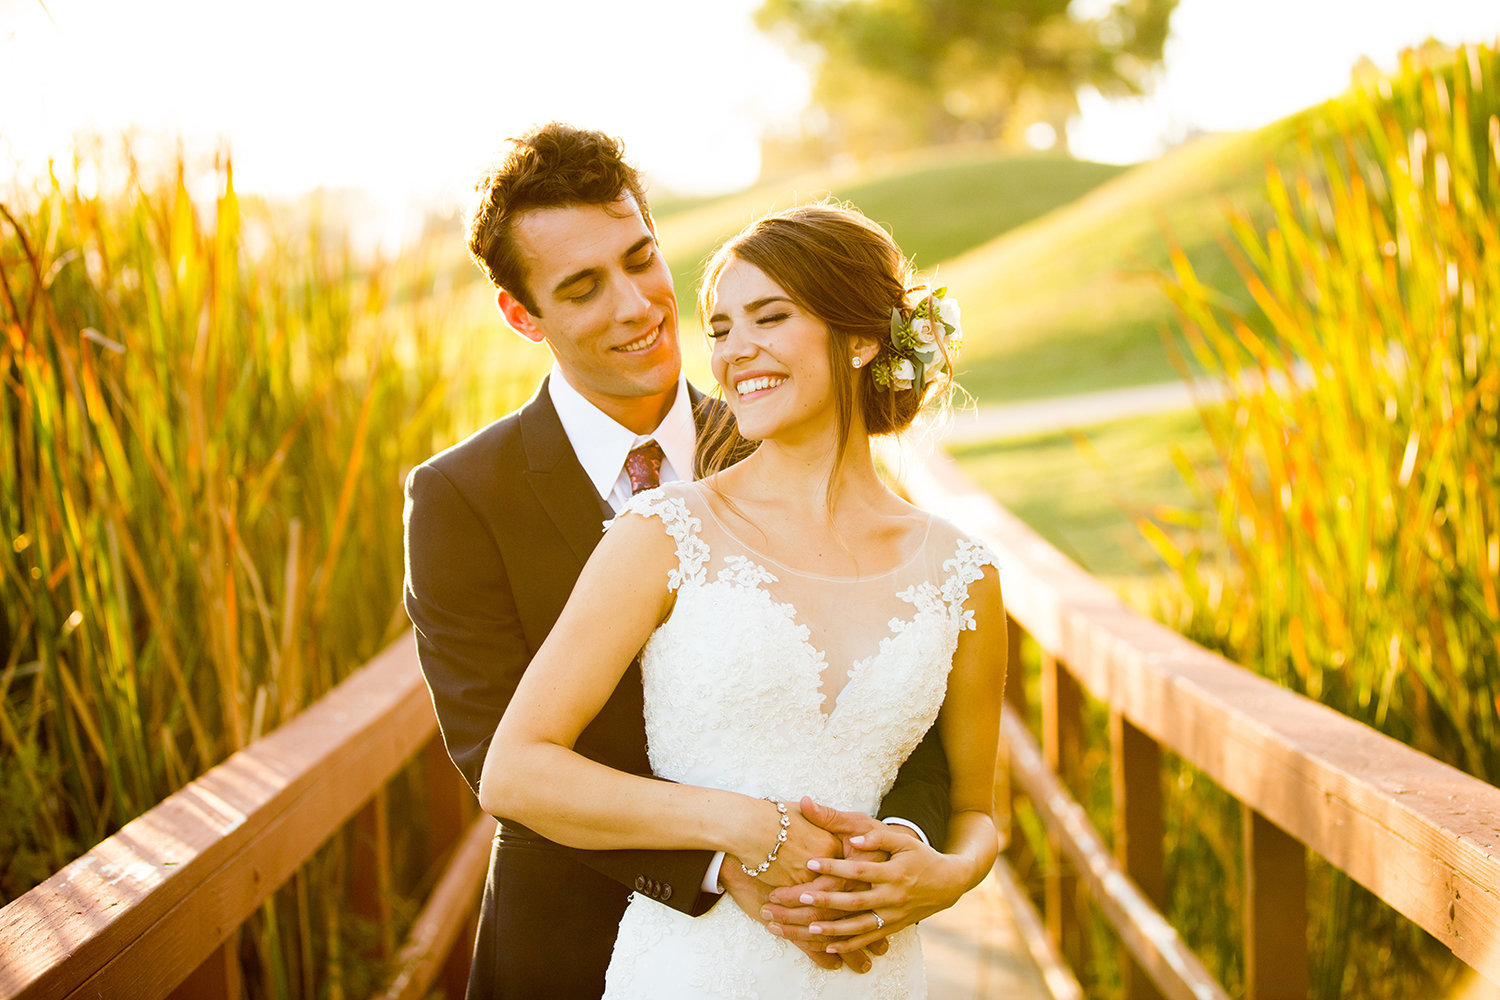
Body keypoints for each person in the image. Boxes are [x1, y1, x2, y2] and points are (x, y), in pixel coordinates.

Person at [403, 124, 960, 999]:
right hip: (571, 946)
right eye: (583, 287)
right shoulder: (460, 498)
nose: (635, 305)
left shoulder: (794, 428)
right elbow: (496, 761)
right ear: (523, 316)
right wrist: (724, 851)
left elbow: (904, 695)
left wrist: (896, 866)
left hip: (825, 942)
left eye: (639, 258)